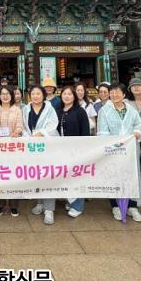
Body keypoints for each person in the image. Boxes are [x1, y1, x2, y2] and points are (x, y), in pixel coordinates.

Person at [96, 83, 141, 222]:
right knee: (114, 176)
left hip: (130, 149)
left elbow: (138, 125)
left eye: (117, 92)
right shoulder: (104, 111)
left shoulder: (131, 110)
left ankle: (132, 206)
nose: (114, 95)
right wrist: (114, 143)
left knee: (132, 175)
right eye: (112, 92)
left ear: (123, 94)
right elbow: (102, 131)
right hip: (113, 150)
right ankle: (116, 206)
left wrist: (137, 133)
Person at [22, 85, 60, 224]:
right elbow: (23, 127)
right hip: (33, 146)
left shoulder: (49, 108)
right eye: (33, 93)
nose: (35, 96)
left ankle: (49, 209)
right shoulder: (26, 109)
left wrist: (40, 134)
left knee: (48, 175)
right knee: (37, 174)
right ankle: (40, 203)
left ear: (43, 95)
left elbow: (53, 125)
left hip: (48, 145)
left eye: (38, 93)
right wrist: (28, 137)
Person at [56, 85, 91, 218]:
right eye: (64, 94)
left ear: (74, 96)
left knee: (76, 177)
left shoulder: (80, 111)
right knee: (66, 176)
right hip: (60, 150)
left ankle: (78, 205)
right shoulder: (58, 110)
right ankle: (70, 200)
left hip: (76, 150)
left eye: (70, 94)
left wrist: (84, 150)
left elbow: (85, 132)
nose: (67, 96)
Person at [0, 85, 23, 216]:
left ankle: (14, 205)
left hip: (13, 146)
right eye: (2, 94)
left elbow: (20, 126)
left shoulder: (17, 110)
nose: (5, 96)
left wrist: (16, 132)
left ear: (12, 95)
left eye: (7, 93)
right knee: (0, 175)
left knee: (14, 176)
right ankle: (0, 204)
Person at [126, 77, 141, 204]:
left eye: (139, 85)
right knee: (135, 167)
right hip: (132, 138)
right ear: (129, 89)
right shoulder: (126, 102)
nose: (136, 87)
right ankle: (138, 194)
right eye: (133, 86)